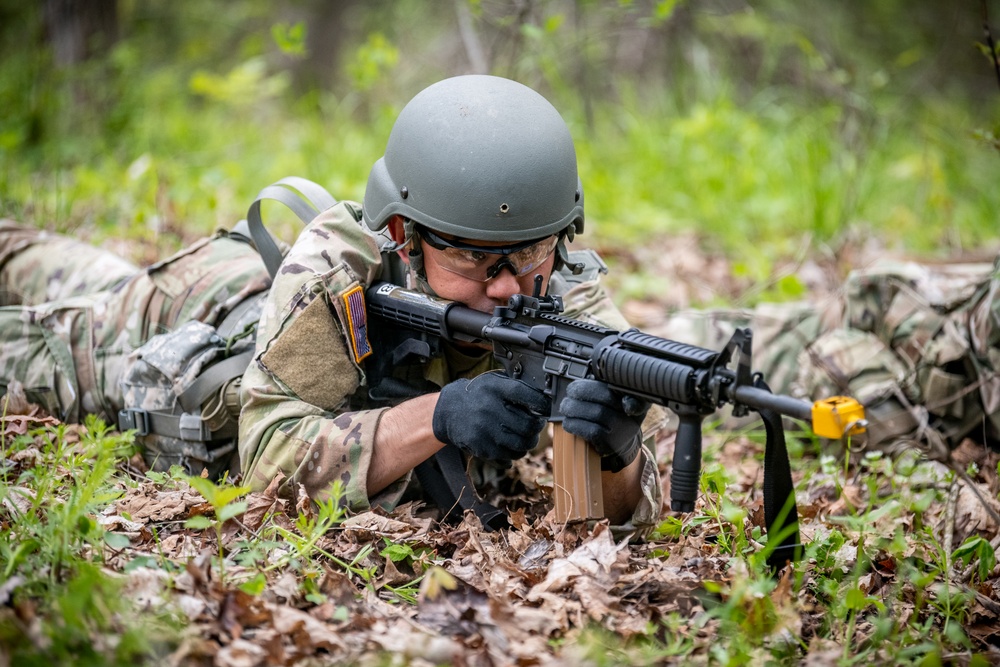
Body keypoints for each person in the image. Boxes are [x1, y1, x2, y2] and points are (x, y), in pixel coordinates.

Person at [1, 75, 997, 531]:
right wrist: (434, 416)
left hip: (271, 336)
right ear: (405, 235)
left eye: (527, 258)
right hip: (198, 320)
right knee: (48, 302)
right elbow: (265, 451)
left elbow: (620, 512)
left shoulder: (563, 285)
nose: (513, 287)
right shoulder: (345, 261)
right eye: (479, 268)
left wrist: (614, 450)